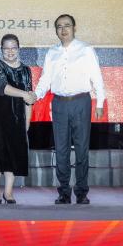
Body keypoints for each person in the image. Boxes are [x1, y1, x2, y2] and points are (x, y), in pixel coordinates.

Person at [33, 14, 105, 205]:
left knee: (81, 149)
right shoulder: (52, 52)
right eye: (59, 26)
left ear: (74, 28)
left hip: (81, 102)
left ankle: (81, 192)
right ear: (56, 30)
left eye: (67, 25)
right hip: (59, 104)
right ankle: (64, 192)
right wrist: (35, 95)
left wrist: (99, 103)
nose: (63, 29)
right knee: (61, 149)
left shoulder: (86, 50)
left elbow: (97, 77)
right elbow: (45, 79)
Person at [0, 33, 36, 204]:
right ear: (1, 50)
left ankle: (9, 191)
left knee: (13, 154)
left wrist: (27, 122)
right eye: (6, 48)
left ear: (18, 49)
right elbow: (3, 88)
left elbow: (30, 100)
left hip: (18, 120)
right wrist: (25, 94)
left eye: (13, 48)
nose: (10, 51)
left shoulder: (26, 70)